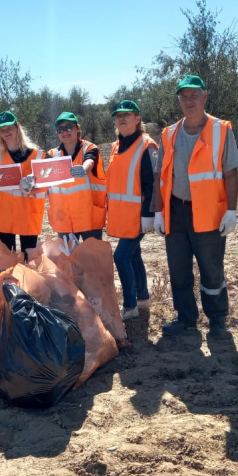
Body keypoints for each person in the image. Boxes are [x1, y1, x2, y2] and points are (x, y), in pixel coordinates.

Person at [154, 75, 238, 339]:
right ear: (178, 100)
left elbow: (231, 173)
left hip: (208, 213)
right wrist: (158, 212)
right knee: (178, 270)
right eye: (184, 96)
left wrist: (231, 210)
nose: (188, 101)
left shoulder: (221, 129)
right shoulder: (169, 133)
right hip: (176, 212)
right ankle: (186, 318)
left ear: (205, 96)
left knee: (212, 270)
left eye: (194, 95)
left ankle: (217, 319)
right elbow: (161, 174)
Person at [105, 100, 157, 320]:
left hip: (138, 216)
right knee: (134, 255)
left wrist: (148, 214)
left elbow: (153, 183)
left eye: (127, 114)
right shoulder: (117, 146)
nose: (122, 119)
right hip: (123, 216)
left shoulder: (147, 146)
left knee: (121, 256)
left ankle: (129, 306)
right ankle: (143, 298)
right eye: (118, 116)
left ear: (138, 119)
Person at [0, 110, 46, 255]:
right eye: (2, 130)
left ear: (17, 127)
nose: (6, 132)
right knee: (6, 261)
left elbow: (48, 182)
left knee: (29, 260)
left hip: (28, 215)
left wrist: (34, 184)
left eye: (9, 128)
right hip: (4, 217)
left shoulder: (37, 154)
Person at [46, 111, 107, 242]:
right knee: (68, 260)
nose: (65, 132)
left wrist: (83, 169)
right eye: (60, 129)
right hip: (65, 220)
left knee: (92, 259)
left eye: (69, 127)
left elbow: (90, 160)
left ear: (77, 128)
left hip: (88, 218)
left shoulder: (89, 148)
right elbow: (42, 172)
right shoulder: (52, 154)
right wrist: (30, 179)